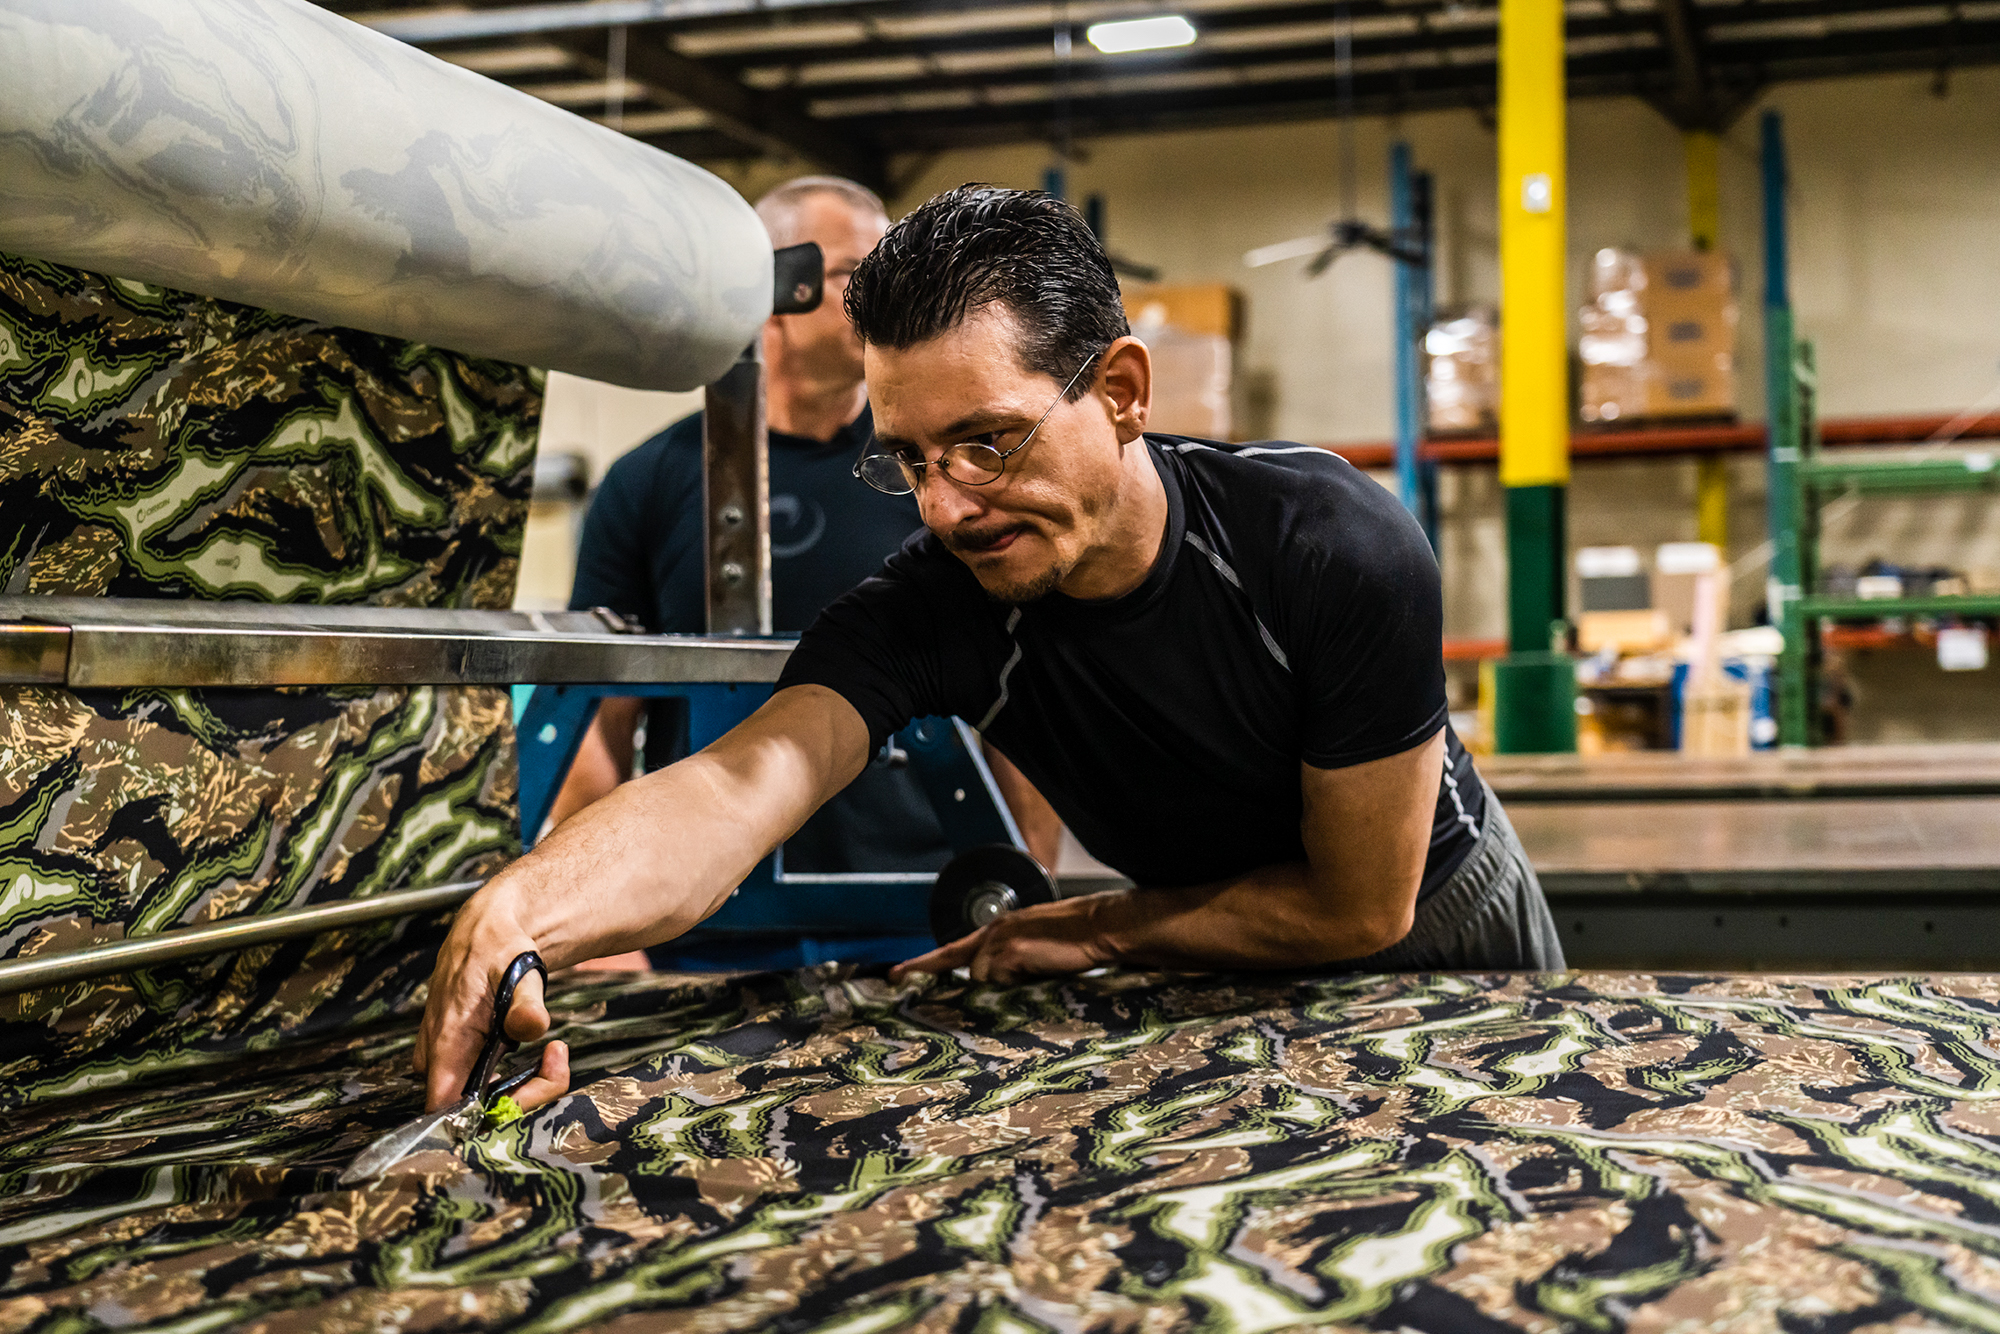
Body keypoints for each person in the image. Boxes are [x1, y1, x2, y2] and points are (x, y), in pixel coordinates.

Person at [416, 184, 1565, 1112]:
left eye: (987, 443)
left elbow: (1356, 909)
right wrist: (523, 904)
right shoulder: (941, 601)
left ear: (1118, 390)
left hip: (1435, 926)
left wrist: (1096, 923)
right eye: (909, 459)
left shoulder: (1326, 543)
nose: (948, 506)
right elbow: (734, 786)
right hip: (1205, 944)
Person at [557, 175, 1060, 973]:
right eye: (858, 273)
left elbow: (1019, 679)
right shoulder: (647, 480)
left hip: (926, 910)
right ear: (774, 286)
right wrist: (593, 927)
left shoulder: (941, 472)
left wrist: (1030, 878)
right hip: (707, 919)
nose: (892, 295)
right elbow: (598, 714)